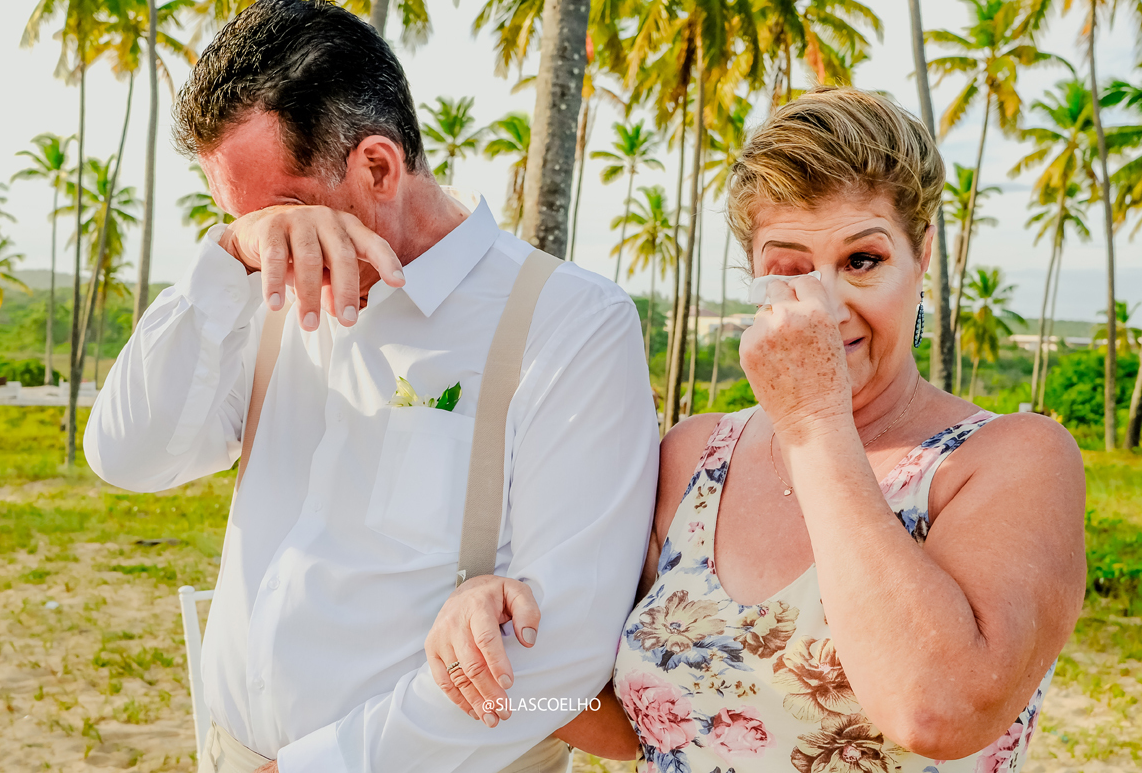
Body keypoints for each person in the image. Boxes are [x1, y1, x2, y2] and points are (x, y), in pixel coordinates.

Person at [424, 87, 1087, 772]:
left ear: (922, 258)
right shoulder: (692, 458)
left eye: (863, 261)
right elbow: (633, 728)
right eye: (790, 269)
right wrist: (500, 642)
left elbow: (937, 708)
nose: (824, 308)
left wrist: (812, 422)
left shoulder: (1012, 460)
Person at [84, 0, 659, 773]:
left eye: (281, 212)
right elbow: (128, 457)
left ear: (378, 167)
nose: (274, 242)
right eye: (245, 222)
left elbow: (562, 650)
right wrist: (228, 256)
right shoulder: (260, 288)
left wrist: (312, 766)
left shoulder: (570, 322)